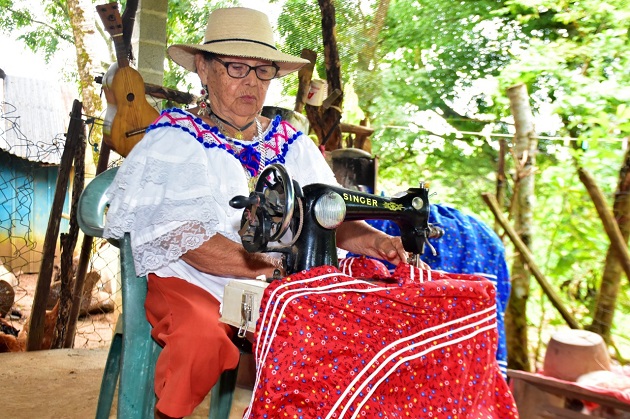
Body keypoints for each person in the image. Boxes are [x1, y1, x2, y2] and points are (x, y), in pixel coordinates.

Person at [102, 7, 408, 419]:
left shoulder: (290, 143)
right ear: (203, 68)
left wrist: (378, 242)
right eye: (236, 68)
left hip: (275, 282)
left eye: (262, 71)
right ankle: (167, 415)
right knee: (201, 336)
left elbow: (327, 213)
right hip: (193, 279)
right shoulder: (176, 139)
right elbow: (188, 241)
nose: (251, 82)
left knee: (345, 323)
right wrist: (270, 268)